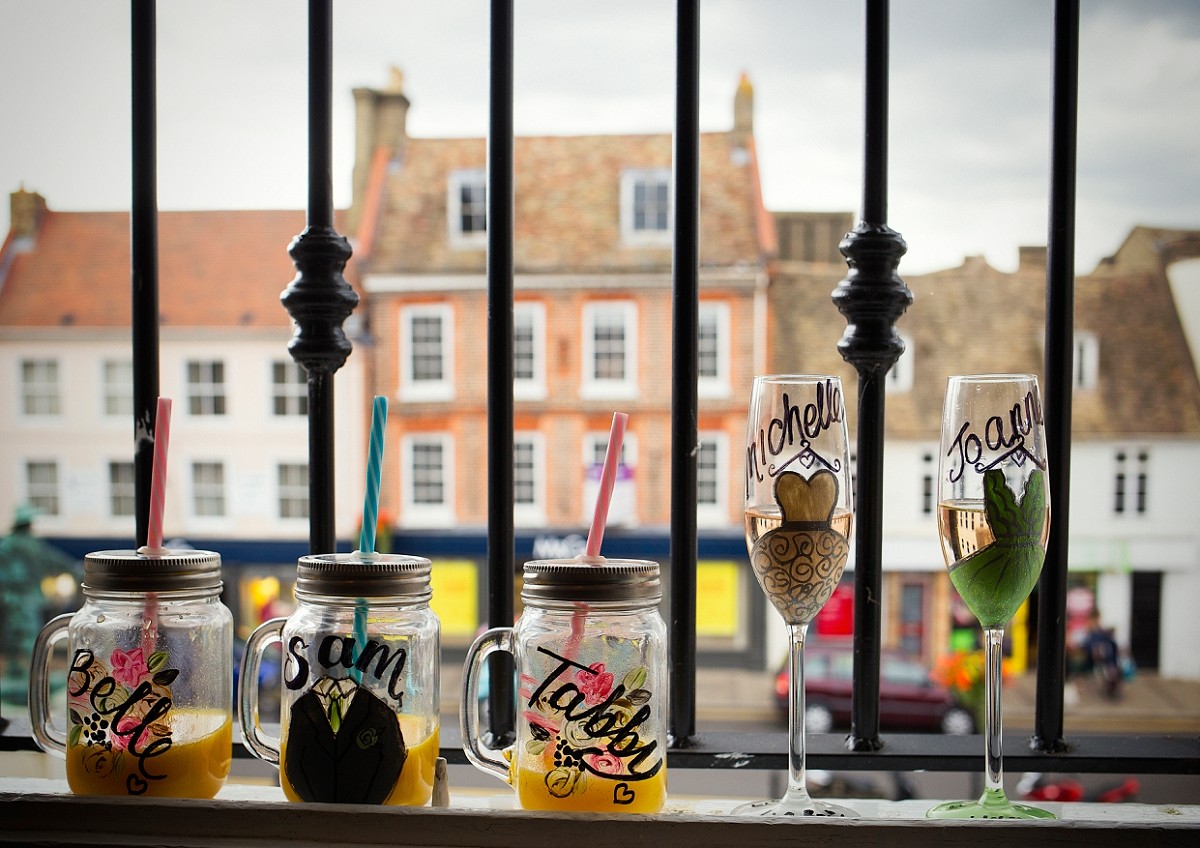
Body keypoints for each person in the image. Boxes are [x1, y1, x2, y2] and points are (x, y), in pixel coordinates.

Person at [0, 505, 80, 705]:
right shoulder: (23, 547)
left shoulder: (13, 546)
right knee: (26, 637)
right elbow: (59, 562)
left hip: (18, 600)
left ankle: (22, 673)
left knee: (19, 637)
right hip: (21, 600)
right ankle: (25, 674)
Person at [1084, 611, 1122, 700]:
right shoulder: (1091, 631)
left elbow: (1107, 639)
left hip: (1103, 653)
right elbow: (1088, 644)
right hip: (1094, 654)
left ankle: (1112, 670)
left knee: (1110, 646)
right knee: (1106, 649)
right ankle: (1111, 669)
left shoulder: (1099, 630)